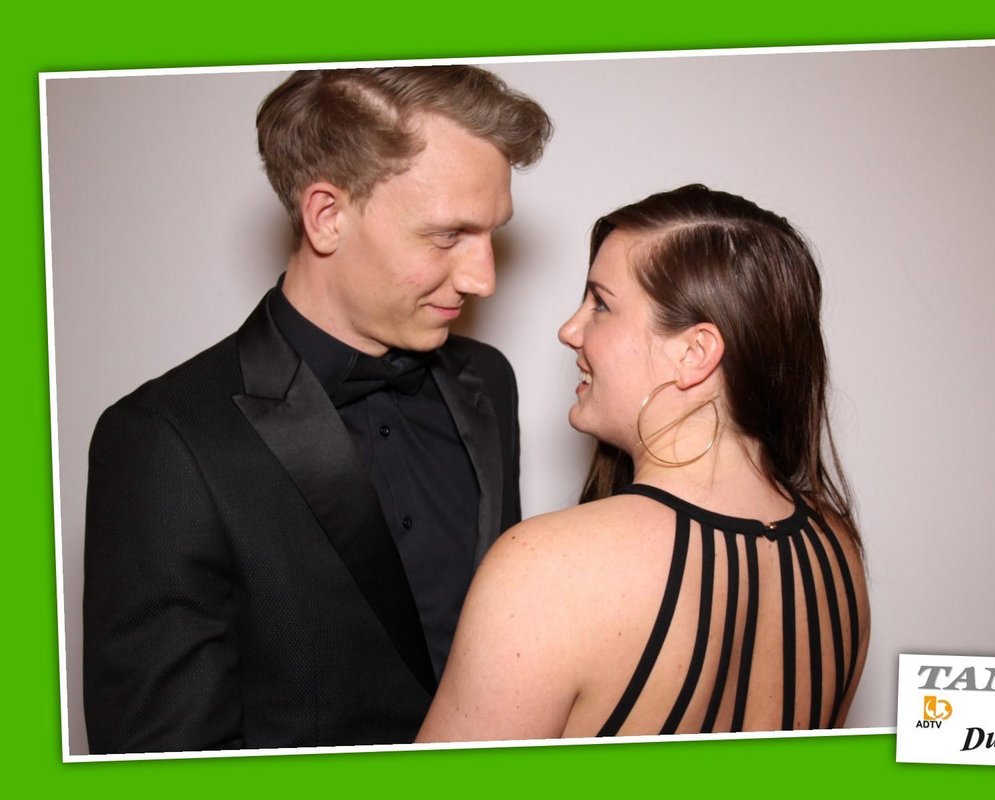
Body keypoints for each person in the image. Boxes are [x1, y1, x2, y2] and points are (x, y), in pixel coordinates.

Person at [82, 67, 552, 753]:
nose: (483, 278)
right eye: (448, 235)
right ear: (327, 216)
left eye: (492, 235)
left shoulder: (488, 380)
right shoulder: (163, 439)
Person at [418, 184, 869, 741]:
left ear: (694, 354)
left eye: (601, 305)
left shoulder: (548, 569)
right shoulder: (836, 550)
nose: (570, 330)